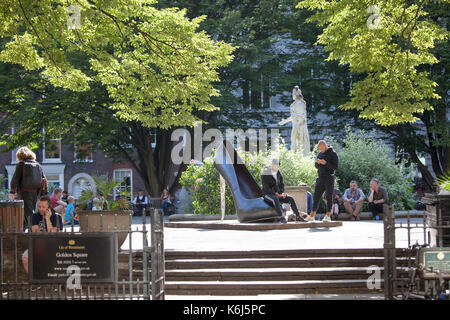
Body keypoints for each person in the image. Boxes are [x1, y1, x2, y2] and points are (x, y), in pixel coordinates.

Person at [22, 195, 63, 274]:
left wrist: (47, 219)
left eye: (43, 207)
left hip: (53, 245)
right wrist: (46, 233)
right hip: (39, 244)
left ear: (49, 207)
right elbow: (36, 232)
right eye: (39, 206)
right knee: (25, 258)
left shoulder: (57, 217)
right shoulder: (35, 216)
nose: (40, 209)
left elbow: (53, 234)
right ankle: (35, 279)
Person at [9, 147, 47, 230]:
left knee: (28, 213)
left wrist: (12, 192)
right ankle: (23, 230)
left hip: (24, 192)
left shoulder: (21, 164)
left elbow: (15, 179)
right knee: (27, 212)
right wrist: (44, 193)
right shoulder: (38, 165)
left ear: (20, 156)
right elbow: (44, 180)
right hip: (35, 193)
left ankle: (33, 230)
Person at [261, 159, 307, 223]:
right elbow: (266, 187)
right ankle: (281, 217)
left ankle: (298, 216)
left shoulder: (278, 173)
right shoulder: (265, 172)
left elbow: (282, 184)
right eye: (274, 165)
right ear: (271, 165)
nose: (276, 167)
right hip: (267, 194)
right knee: (275, 199)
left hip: (278, 194)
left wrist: (282, 193)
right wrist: (275, 193)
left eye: (277, 166)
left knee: (290, 198)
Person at [304, 140, 339, 223]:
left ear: (325, 146)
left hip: (329, 178)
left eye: (321, 148)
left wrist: (325, 163)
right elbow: (316, 166)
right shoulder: (320, 154)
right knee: (316, 196)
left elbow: (336, 167)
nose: (320, 150)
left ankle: (328, 215)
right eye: (319, 148)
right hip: (320, 178)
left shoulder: (333, 154)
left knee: (328, 196)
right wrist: (318, 163)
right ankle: (312, 216)